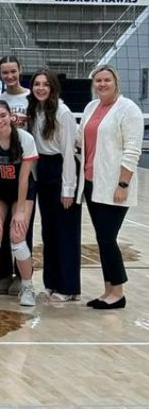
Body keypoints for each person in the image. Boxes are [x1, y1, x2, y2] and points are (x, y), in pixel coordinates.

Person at [77, 65, 143, 310]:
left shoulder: (129, 110)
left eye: (106, 80)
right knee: (102, 238)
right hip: (92, 184)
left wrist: (123, 184)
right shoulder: (91, 107)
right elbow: (79, 138)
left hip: (114, 185)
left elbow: (132, 150)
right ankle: (109, 290)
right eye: (98, 80)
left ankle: (118, 292)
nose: (102, 84)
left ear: (116, 82)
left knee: (107, 237)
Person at [26, 69, 81, 302]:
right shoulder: (36, 110)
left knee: (65, 231)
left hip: (62, 170)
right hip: (44, 171)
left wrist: (68, 188)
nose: (40, 88)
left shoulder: (63, 112)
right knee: (48, 231)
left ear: (53, 87)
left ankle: (69, 287)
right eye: (36, 84)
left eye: (45, 84)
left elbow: (69, 151)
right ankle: (52, 282)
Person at [0, 100, 38, 307]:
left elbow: (24, 178)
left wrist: (20, 211)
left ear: (11, 116)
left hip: (22, 192)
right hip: (0, 193)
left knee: (17, 235)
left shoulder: (25, 139)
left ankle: (28, 287)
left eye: (3, 115)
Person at [0, 56, 33, 296]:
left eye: (13, 71)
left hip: (26, 167)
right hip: (1, 168)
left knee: (21, 226)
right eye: (4, 72)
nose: (9, 76)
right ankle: (3, 275)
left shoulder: (31, 96)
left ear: (20, 70)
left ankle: (22, 276)